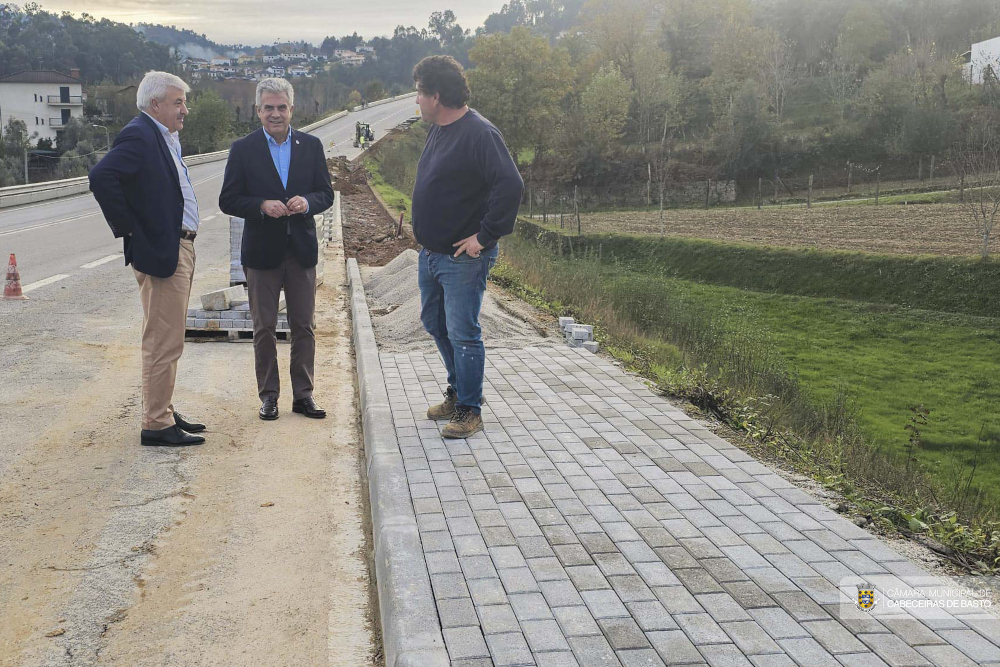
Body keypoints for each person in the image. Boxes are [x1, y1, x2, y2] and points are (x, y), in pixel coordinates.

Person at [89, 71, 206, 447]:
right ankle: (156, 423)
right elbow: (102, 176)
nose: (184, 109)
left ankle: (163, 409)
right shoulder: (140, 134)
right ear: (155, 104)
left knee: (167, 338)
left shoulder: (165, 137)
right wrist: (131, 228)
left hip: (176, 247)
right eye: (178, 102)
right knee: (163, 341)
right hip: (163, 250)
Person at [411, 56, 524, 439]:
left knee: (463, 332)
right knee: (435, 323)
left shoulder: (480, 133)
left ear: (436, 96)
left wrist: (484, 236)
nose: (417, 101)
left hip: (462, 257)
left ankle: (470, 409)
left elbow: (511, 186)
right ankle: (458, 390)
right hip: (431, 253)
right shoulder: (440, 129)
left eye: (419, 94)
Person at [219, 78, 333, 421]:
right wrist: (261, 205)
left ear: (292, 109)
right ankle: (269, 396)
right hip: (262, 254)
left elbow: (325, 193)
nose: (275, 113)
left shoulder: (311, 146)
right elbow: (228, 199)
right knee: (264, 327)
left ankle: (304, 396)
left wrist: (308, 202)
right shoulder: (243, 149)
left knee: (303, 326)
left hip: (301, 252)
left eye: (281, 107)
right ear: (258, 110)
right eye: (268, 107)